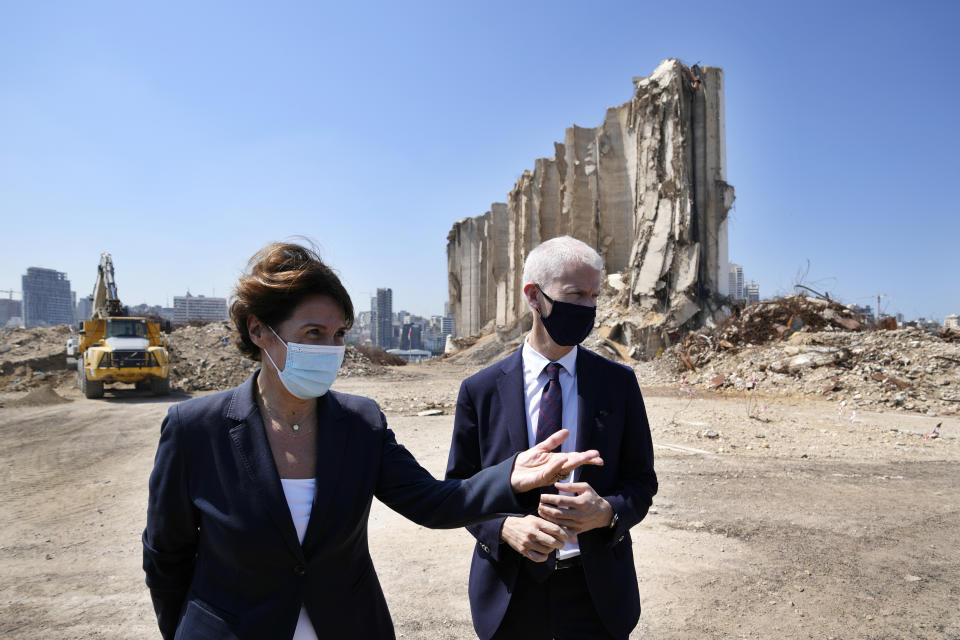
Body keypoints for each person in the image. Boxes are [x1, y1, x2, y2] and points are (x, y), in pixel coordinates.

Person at [142, 242, 604, 640]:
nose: (330, 349)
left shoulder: (360, 422)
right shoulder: (194, 429)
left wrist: (508, 478)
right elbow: (167, 557)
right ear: (259, 330)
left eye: (339, 334)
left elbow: (432, 502)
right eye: (313, 333)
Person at [445, 235, 658, 640]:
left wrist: (607, 512)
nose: (588, 308)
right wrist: (503, 527)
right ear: (534, 296)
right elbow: (459, 488)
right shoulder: (481, 389)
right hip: (510, 593)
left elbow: (642, 482)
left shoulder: (618, 384)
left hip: (596, 594)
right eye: (576, 294)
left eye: (594, 296)